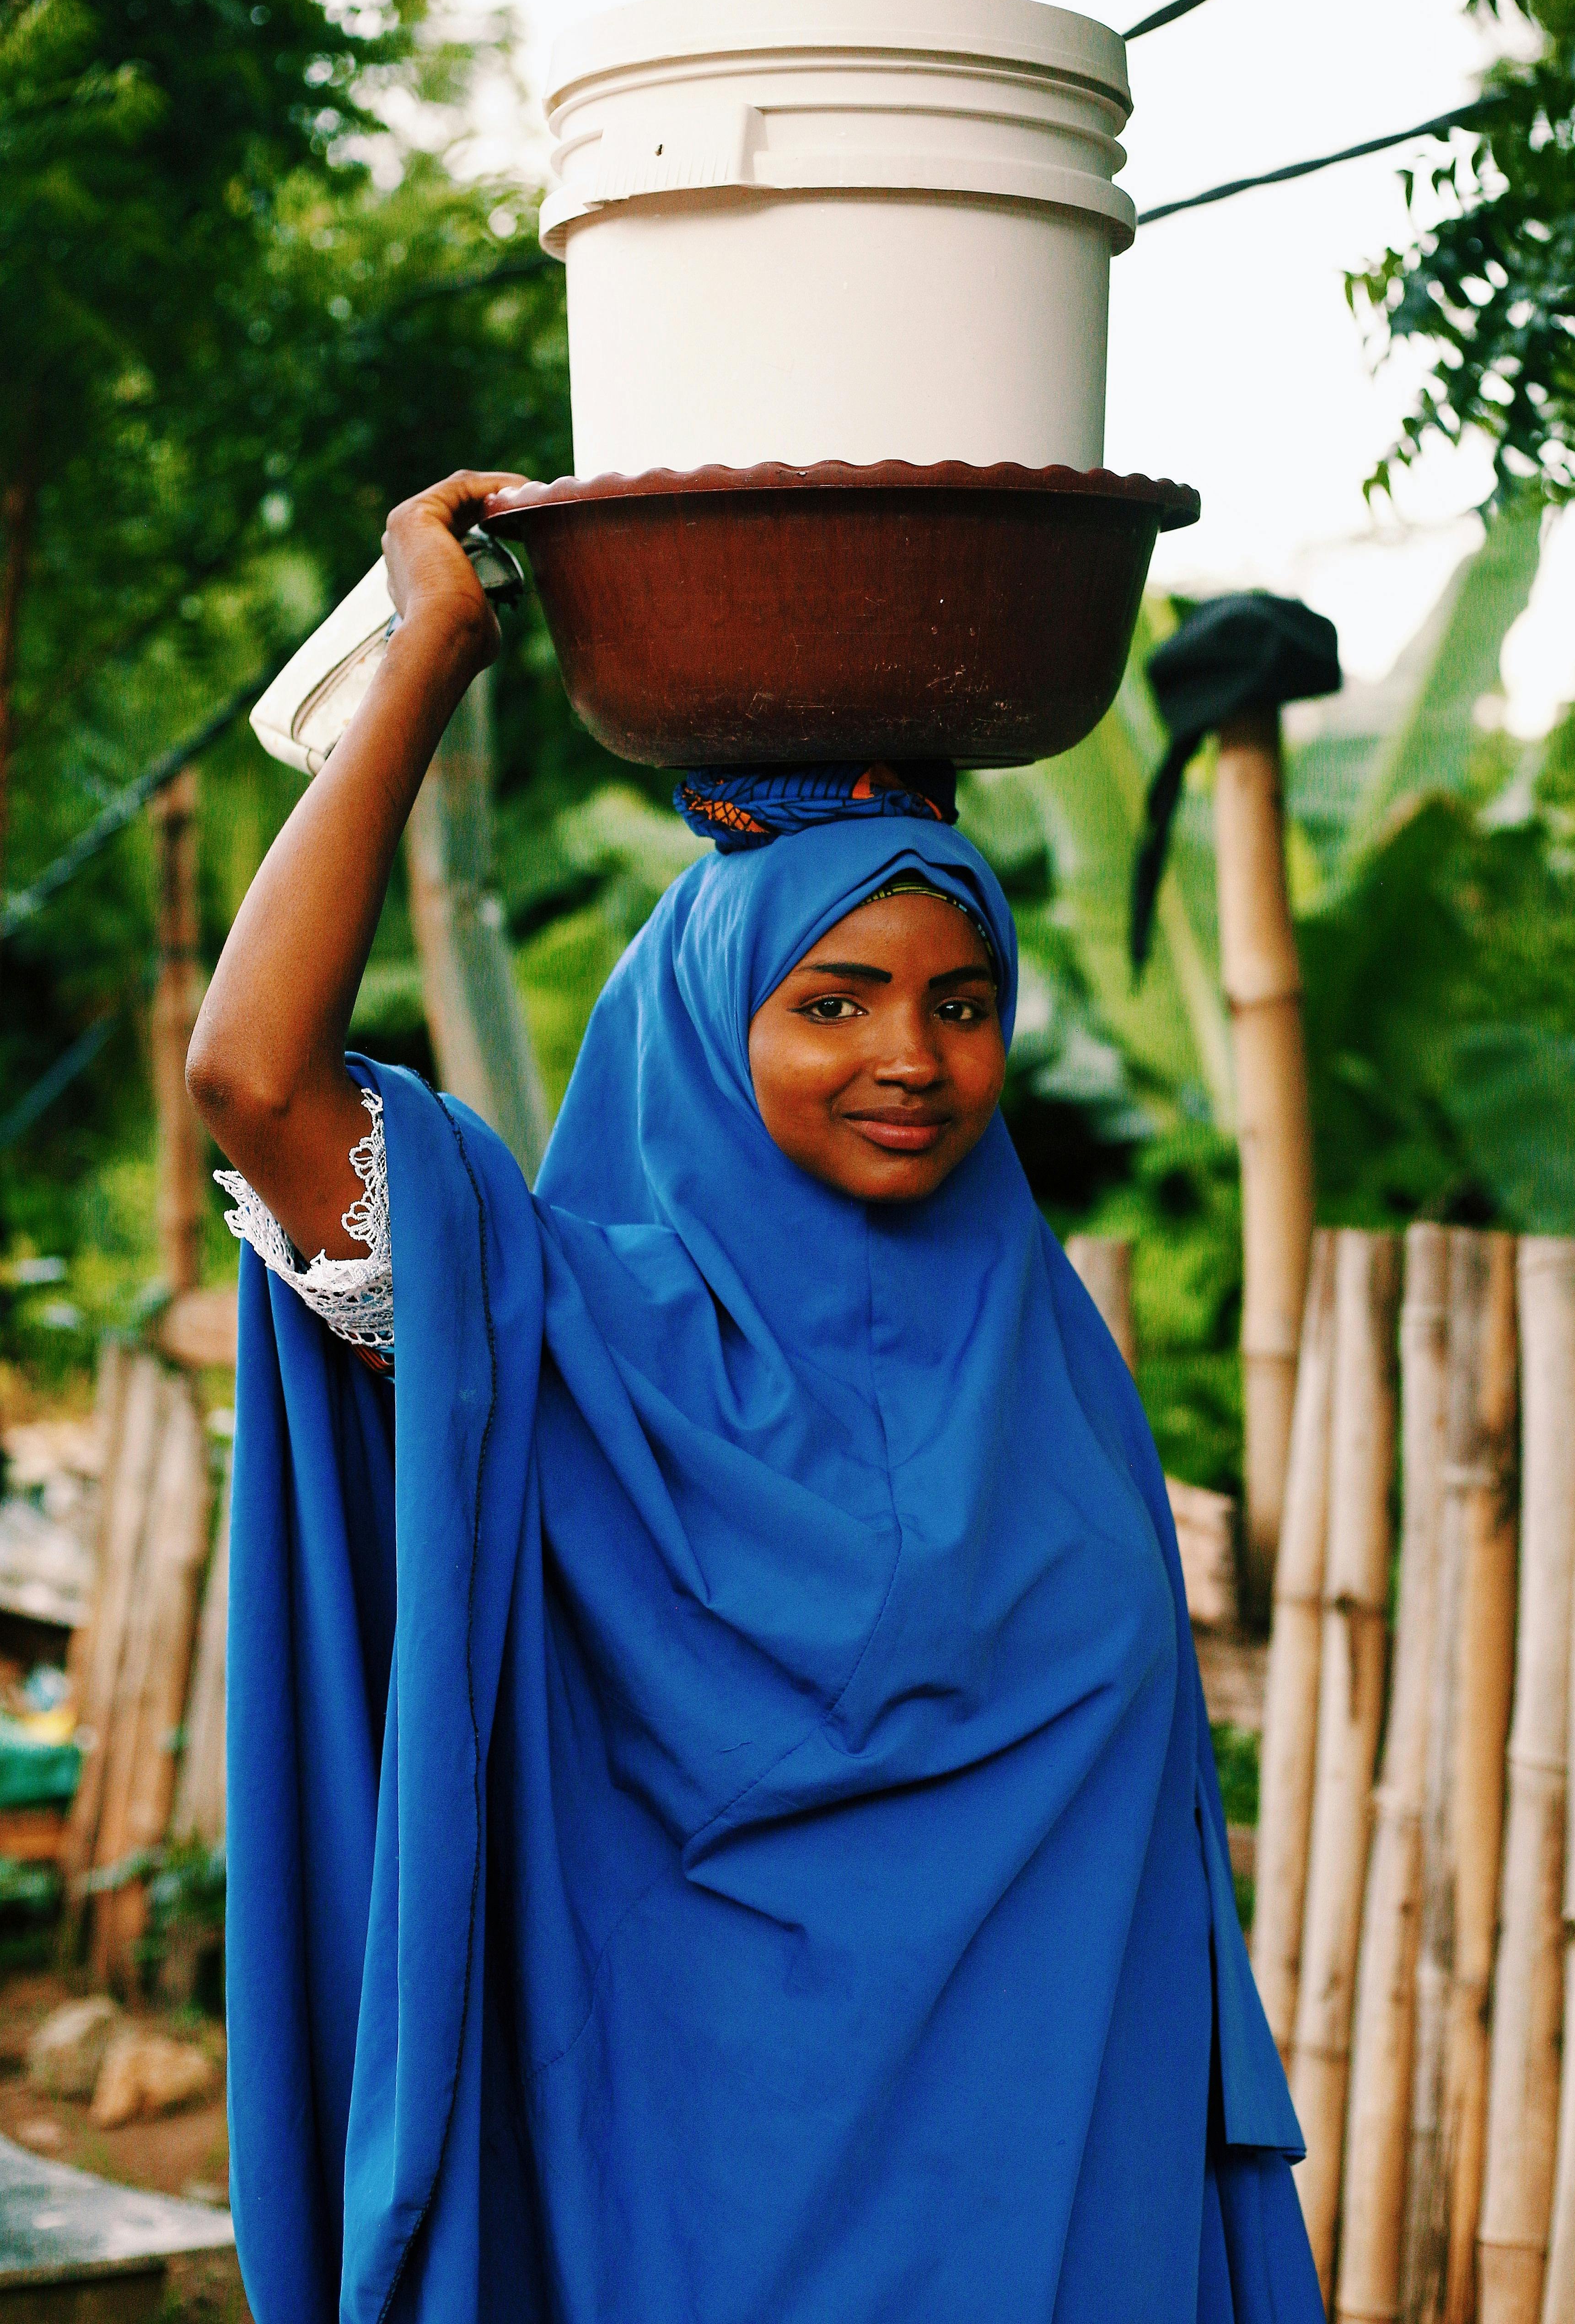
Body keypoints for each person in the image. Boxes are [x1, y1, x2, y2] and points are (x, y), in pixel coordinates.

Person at [188, 470, 1322, 2324]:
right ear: (710, 1026)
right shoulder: (562, 1338)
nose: (911, 1058)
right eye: (835, 1000)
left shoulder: (1042, 1377)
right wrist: (427, 656)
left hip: (1058, 2208)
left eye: (964, 1004)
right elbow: (251, 1077)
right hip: (686, 2205)